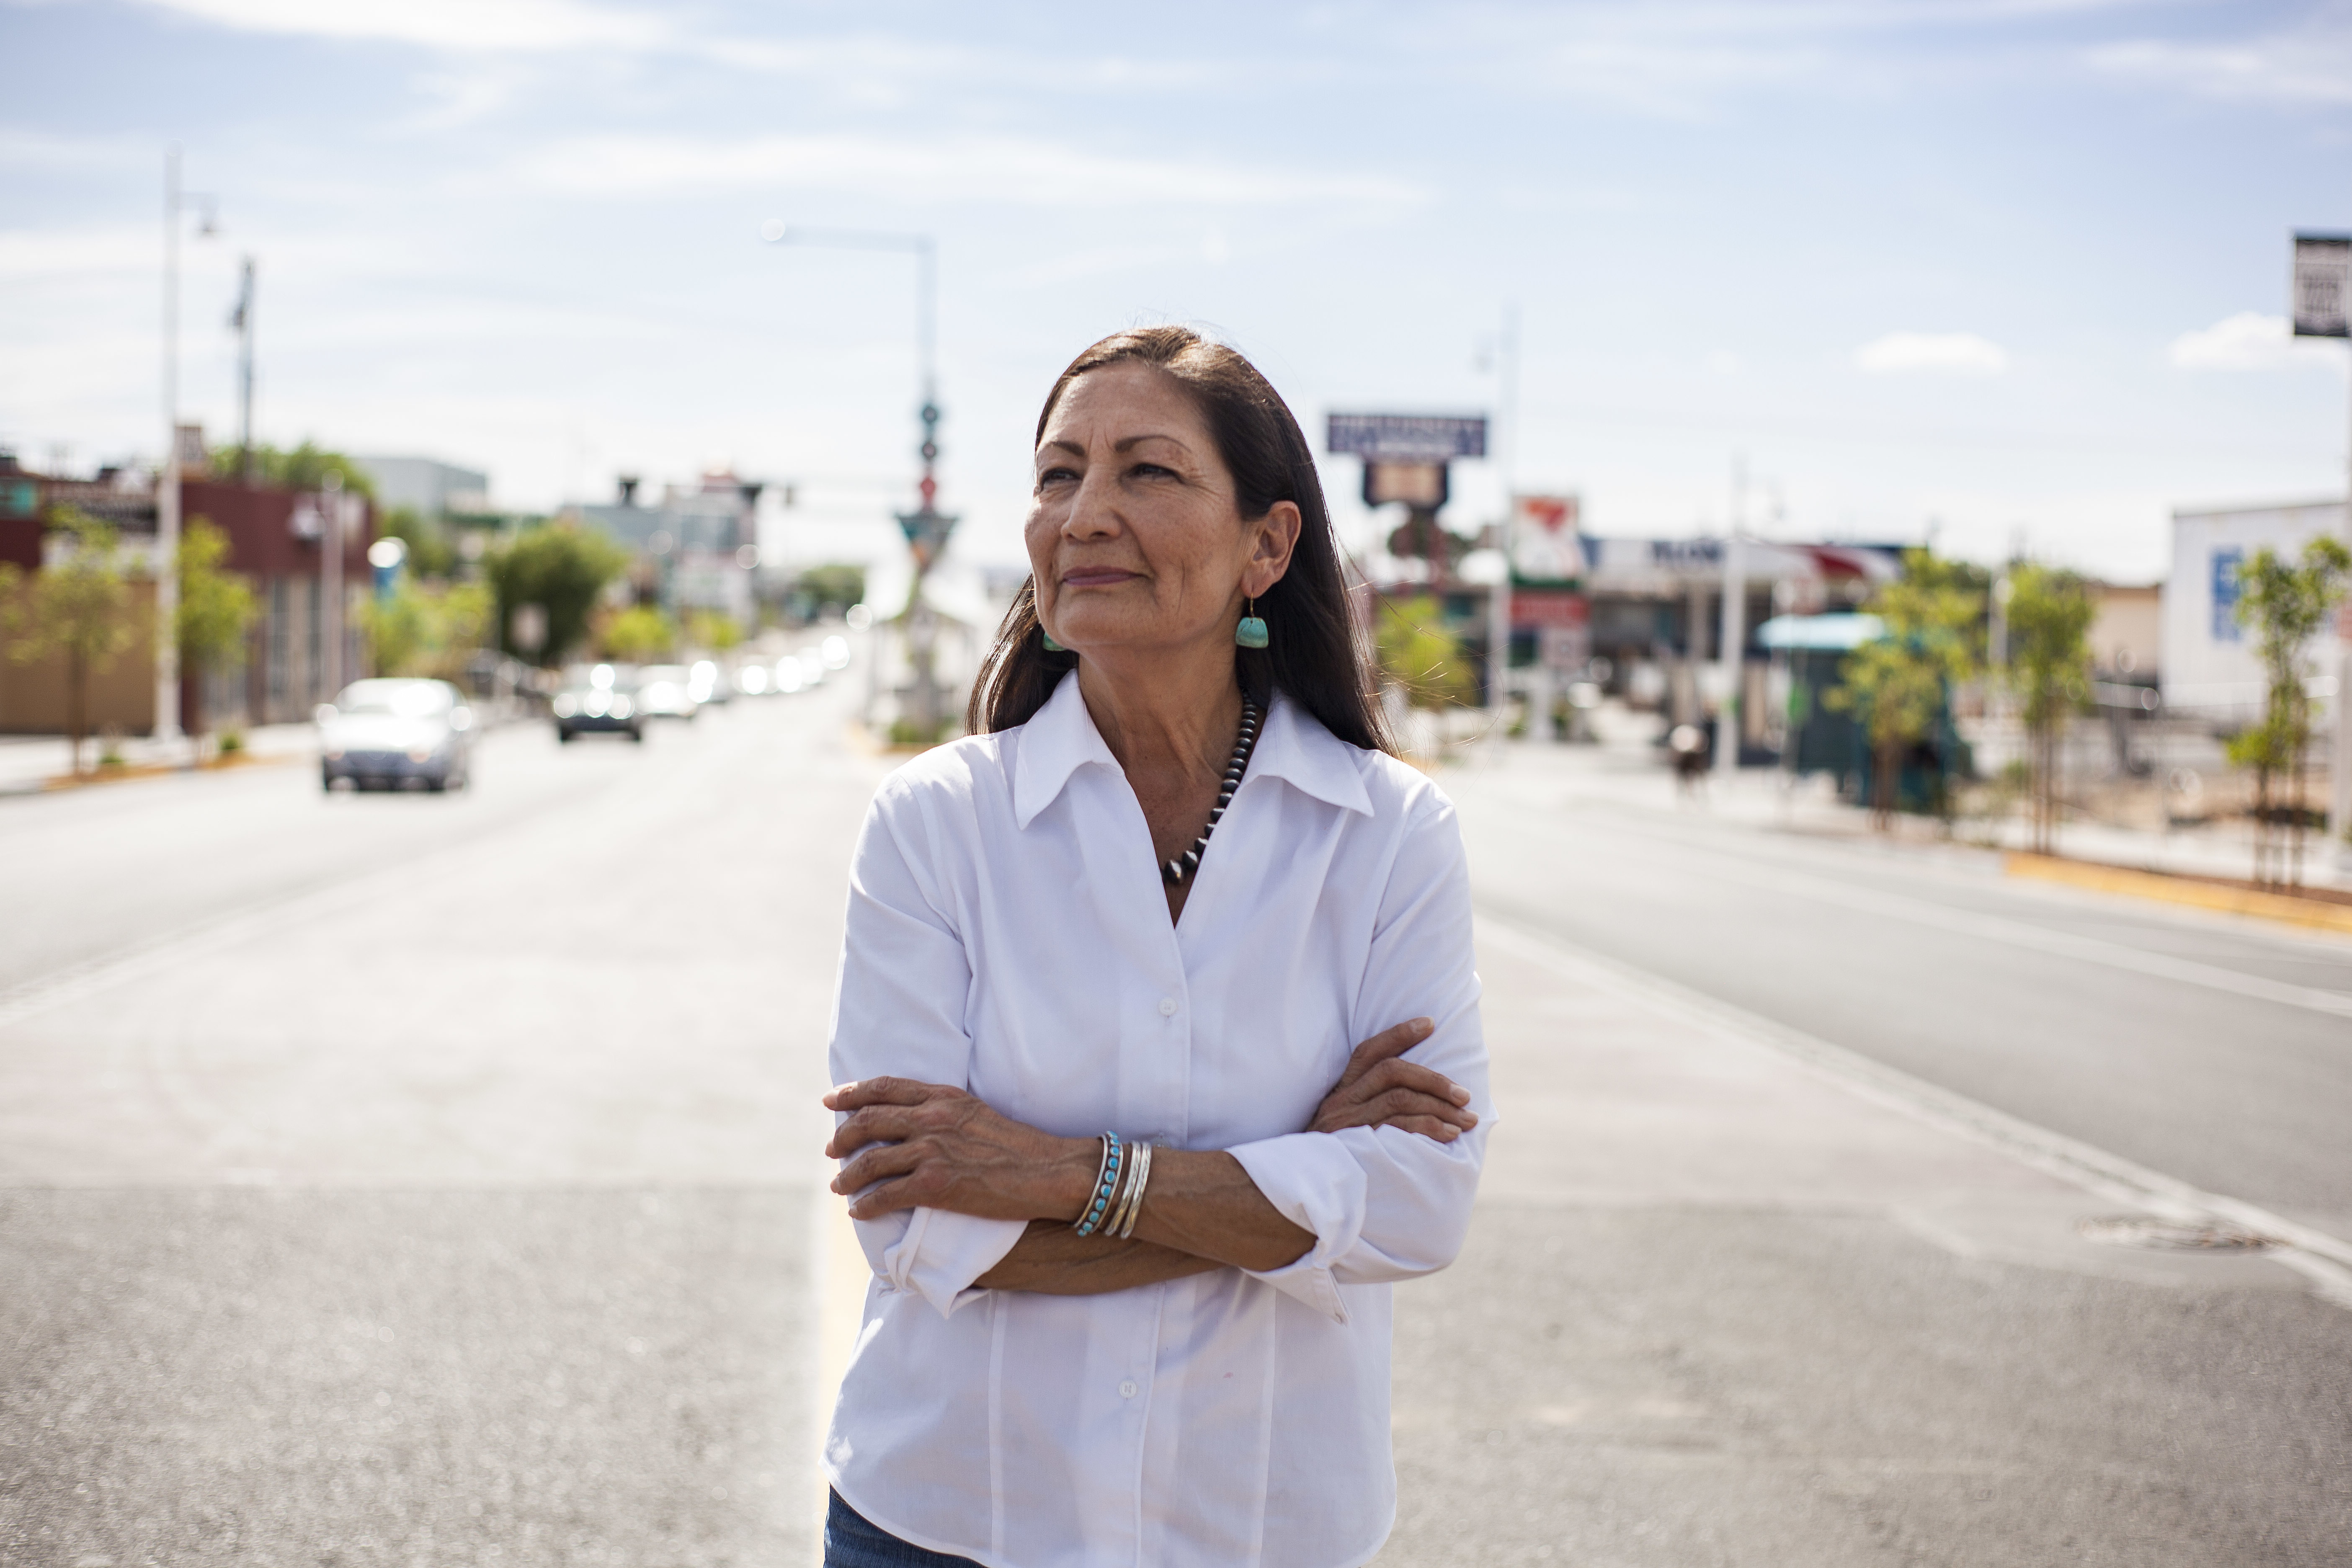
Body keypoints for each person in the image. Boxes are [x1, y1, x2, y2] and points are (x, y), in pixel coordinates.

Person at [820, 326, 1492, 1568]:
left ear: (1267, 546)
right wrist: (1283, 1193)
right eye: (1058, 473)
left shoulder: (1389, 836)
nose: (1084, 515)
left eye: (1148, 473)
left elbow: (1417, 1205)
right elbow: (914, 1226)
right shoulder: (938, 825)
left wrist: (1052, 1172)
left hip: (1257, 1524)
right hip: (952, 1517)